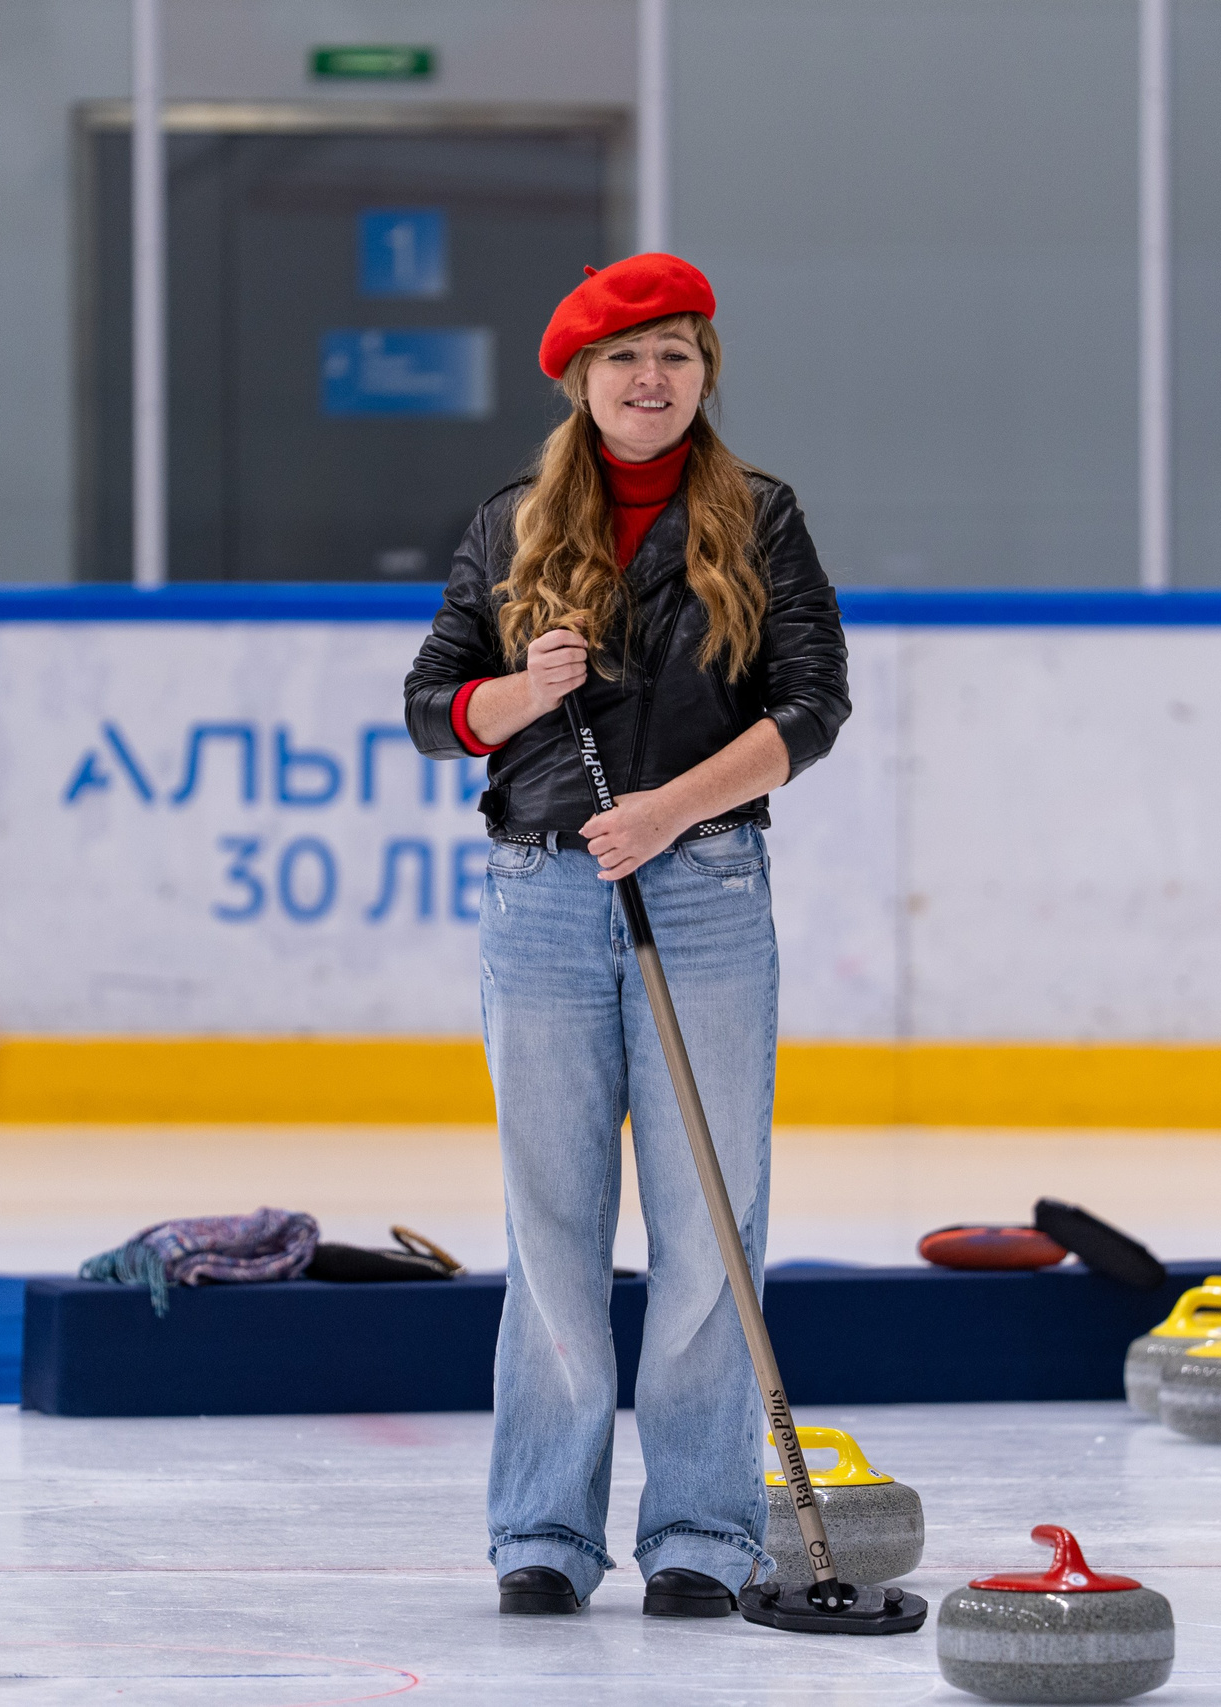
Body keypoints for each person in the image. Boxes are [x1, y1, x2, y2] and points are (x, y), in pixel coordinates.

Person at [403, 253, 852, 1618]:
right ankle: (542, 1524)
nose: (649, 378)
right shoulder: (514, 523)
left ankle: (702, 1534)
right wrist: (513, 696)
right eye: (623, 358)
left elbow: (814, 707)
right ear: (580, 382)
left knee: (712, 1221)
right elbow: (432, 708)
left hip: (706, 890)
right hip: (541, 894)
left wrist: (667, 810)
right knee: (552, 1219)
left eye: (674, 352)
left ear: (705, 370)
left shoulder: (760, 517)